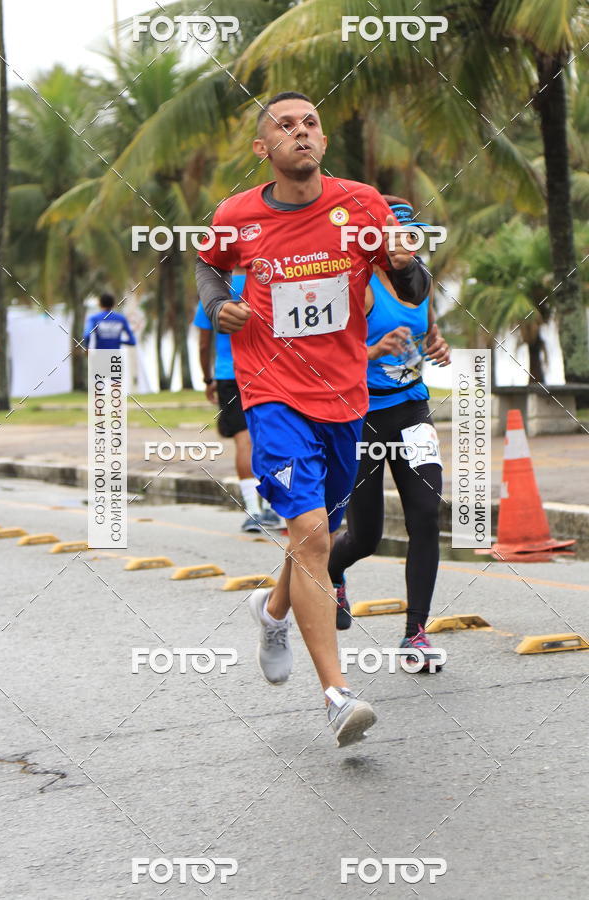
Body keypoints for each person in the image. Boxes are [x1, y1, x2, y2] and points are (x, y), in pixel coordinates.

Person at [196, 92, 430, 747]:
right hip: (271, 393)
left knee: (316, 536)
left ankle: (272, 612)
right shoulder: (236, 216)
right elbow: (208, 266)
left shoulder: (362, 205)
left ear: (322, 140)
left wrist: (408, 266)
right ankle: (336, 694)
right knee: (310, 533)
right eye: (285, 126)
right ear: (262, 148)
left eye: (311, 123)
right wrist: (217, 306)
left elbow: (413, 289)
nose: (300, 132)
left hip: (345, 399)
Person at [329, 197, 450, 671]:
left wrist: (436, 345)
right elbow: (329, 356)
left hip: (412, 410)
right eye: (391, 237)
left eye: (409, 236)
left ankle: (415, 633)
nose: (402, 245)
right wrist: (374, 349)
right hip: (362, 417)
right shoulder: (360, 284)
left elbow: (426, 332)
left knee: (426, 515)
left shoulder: (423, 281)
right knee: (367, 537)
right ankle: (333, 570)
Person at [193, 271, 283, 532]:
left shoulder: (214, 292)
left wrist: (207, 378)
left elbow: (203, 344)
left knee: (244, 441)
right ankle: (272, 508)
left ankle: (253, 512)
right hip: (267, 371)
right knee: (271, 437)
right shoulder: (270, 284)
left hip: (229, 374)